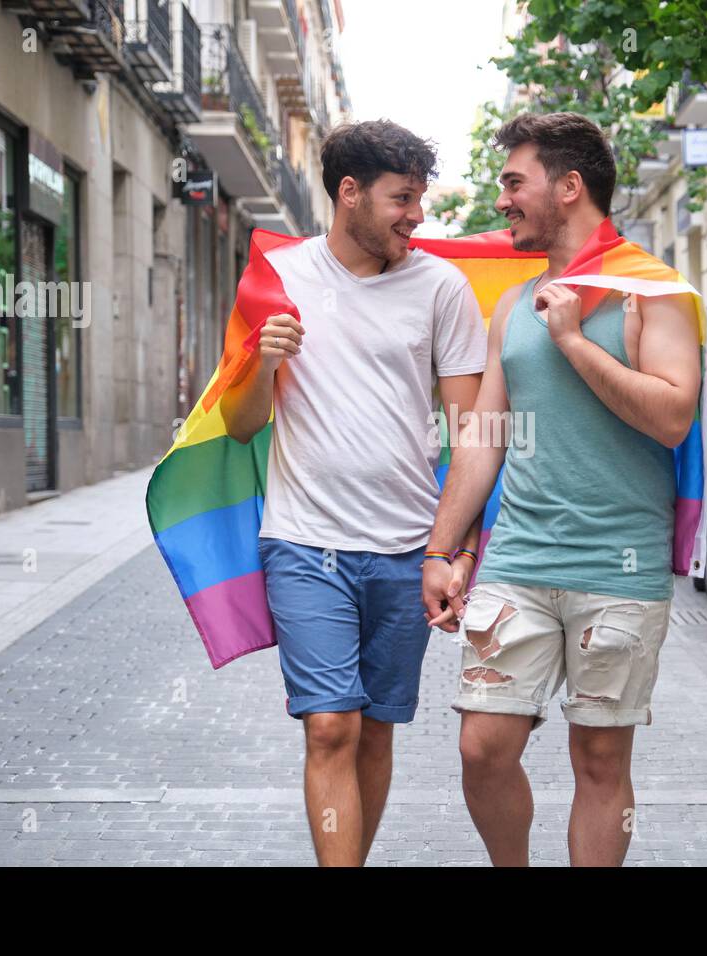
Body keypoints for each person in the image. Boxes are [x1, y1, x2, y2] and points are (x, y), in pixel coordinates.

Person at [421, 112, 703, 866]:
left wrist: (575, 341)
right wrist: (441, 550)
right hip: (517, 561)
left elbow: (673, 417)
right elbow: (482, 438)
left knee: (601, 763)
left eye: (515, 182)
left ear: (569, 186)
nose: (503, 200)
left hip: (620, 571)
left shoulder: (653, 294)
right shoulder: (514, 305)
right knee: (482, 746)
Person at [221, 120, 486, 866]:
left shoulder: (441, 287)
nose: (417, 215)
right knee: (330, 726)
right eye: (403, 197)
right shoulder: (276, 279)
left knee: (374, 730)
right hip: (305, 544)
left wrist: (454, 549)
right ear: (349, 193)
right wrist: (257, 365)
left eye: (420, 199)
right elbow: (241, 427)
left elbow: (471, 433)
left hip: (406, 550)